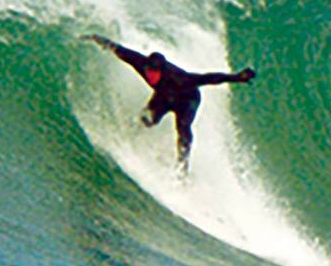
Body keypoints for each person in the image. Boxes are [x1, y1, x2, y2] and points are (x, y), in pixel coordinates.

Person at [85, 33, 256, 169]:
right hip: (164, 96)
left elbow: (209, 78)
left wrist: (237, 77)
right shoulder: (141, 63)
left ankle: (182, 166)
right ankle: (130, 140)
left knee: (182, 127)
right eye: (149, 71)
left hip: (187, 100)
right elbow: (117, 49)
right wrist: (94, 38)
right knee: (147, 119)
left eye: (154, 73)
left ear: (161, 71)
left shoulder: (179, 77)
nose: (150, 75)